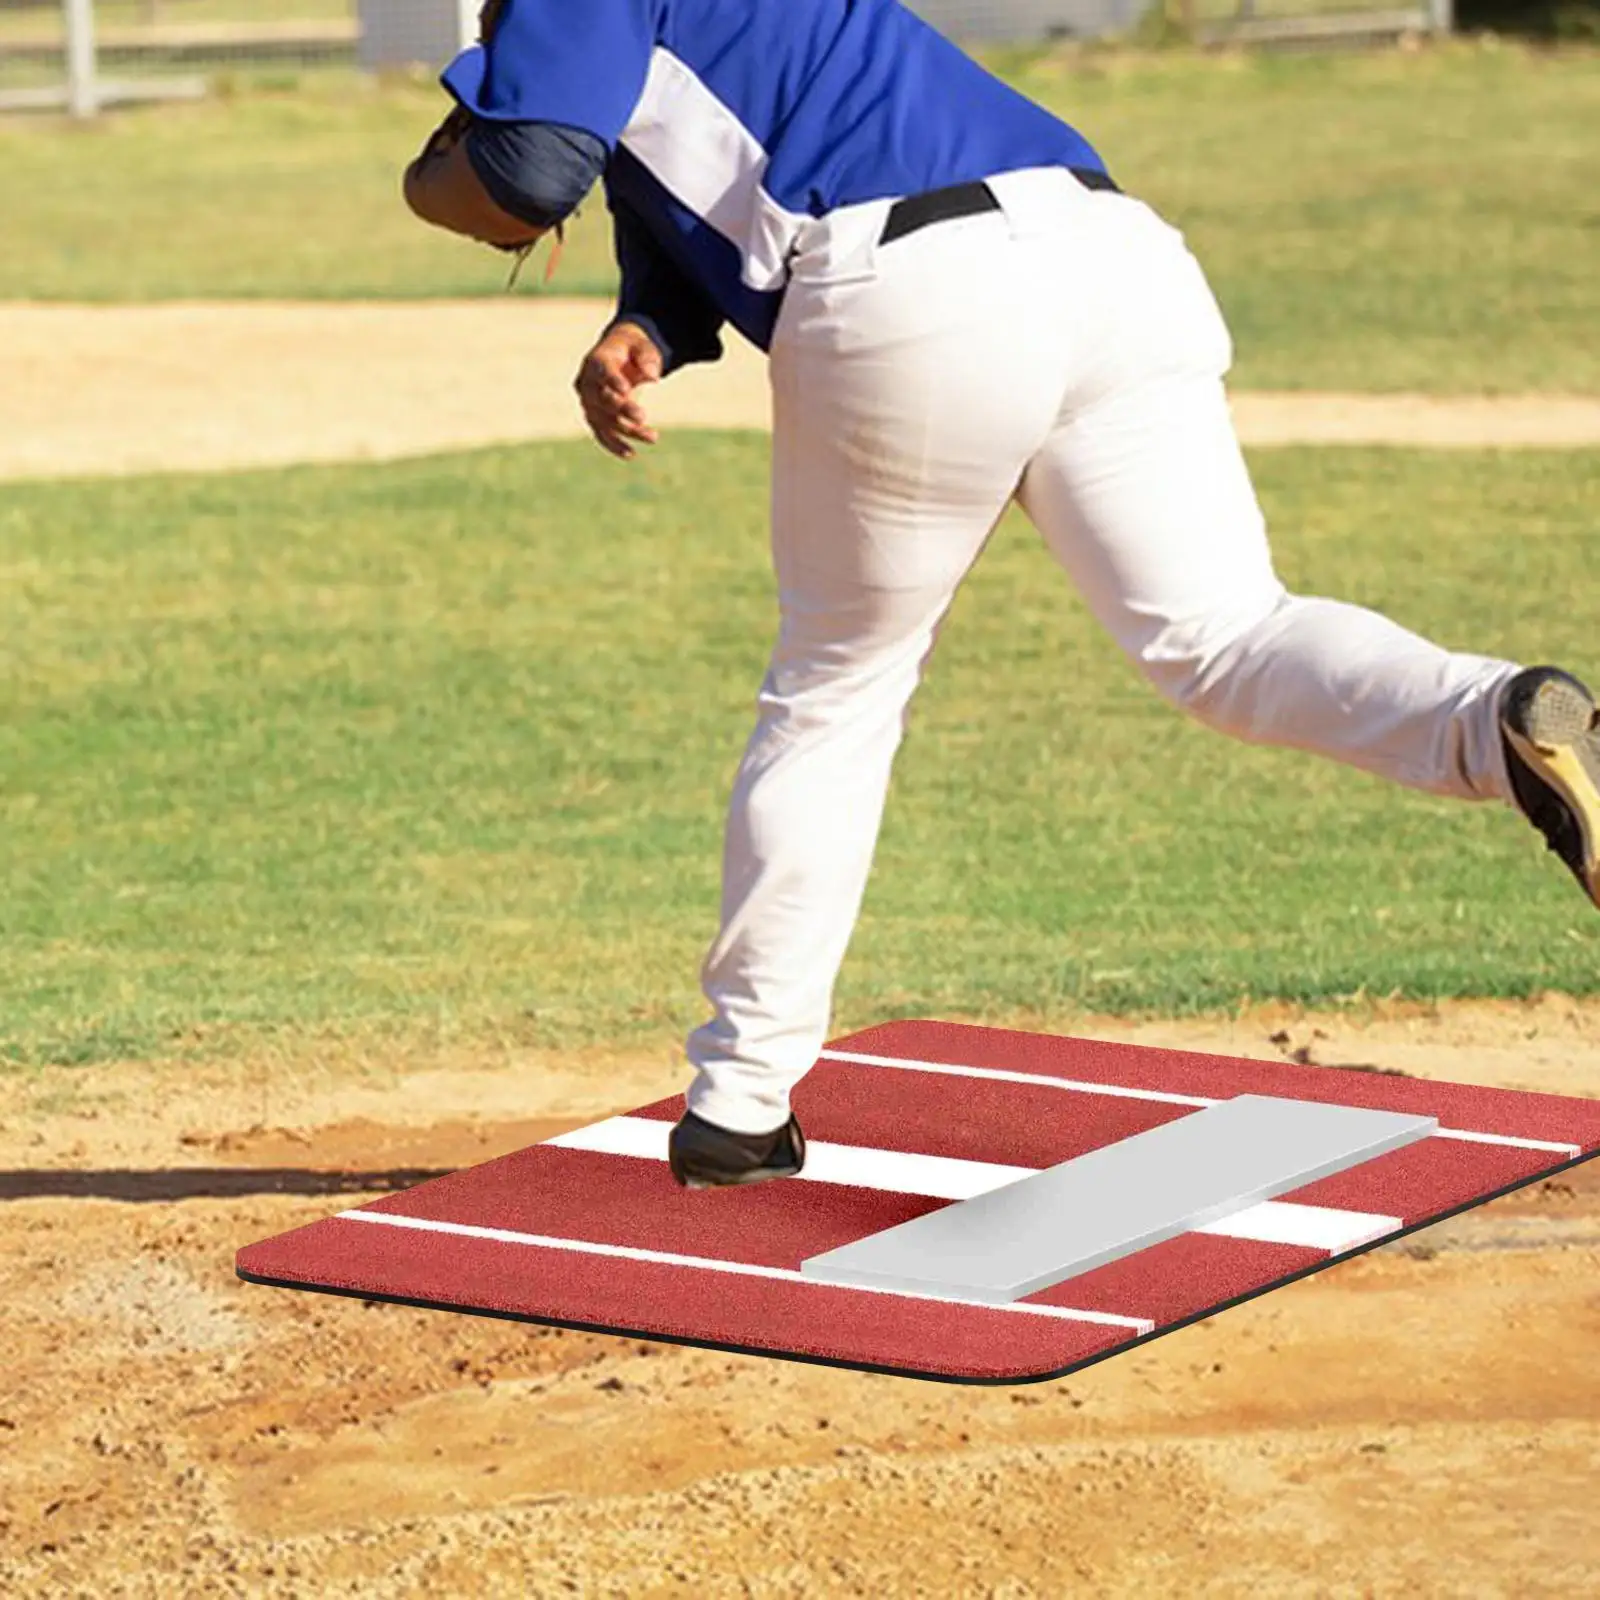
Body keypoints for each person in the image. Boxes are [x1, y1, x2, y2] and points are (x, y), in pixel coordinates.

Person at [402, 0, 1600, 1190]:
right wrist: (647, 327)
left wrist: (428, 175)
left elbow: (528, 169)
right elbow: (694, 173)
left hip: (916, 289)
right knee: (1227, 634)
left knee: (835, 691)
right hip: (1106, 250)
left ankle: (740, 1103)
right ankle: (1496, 721)